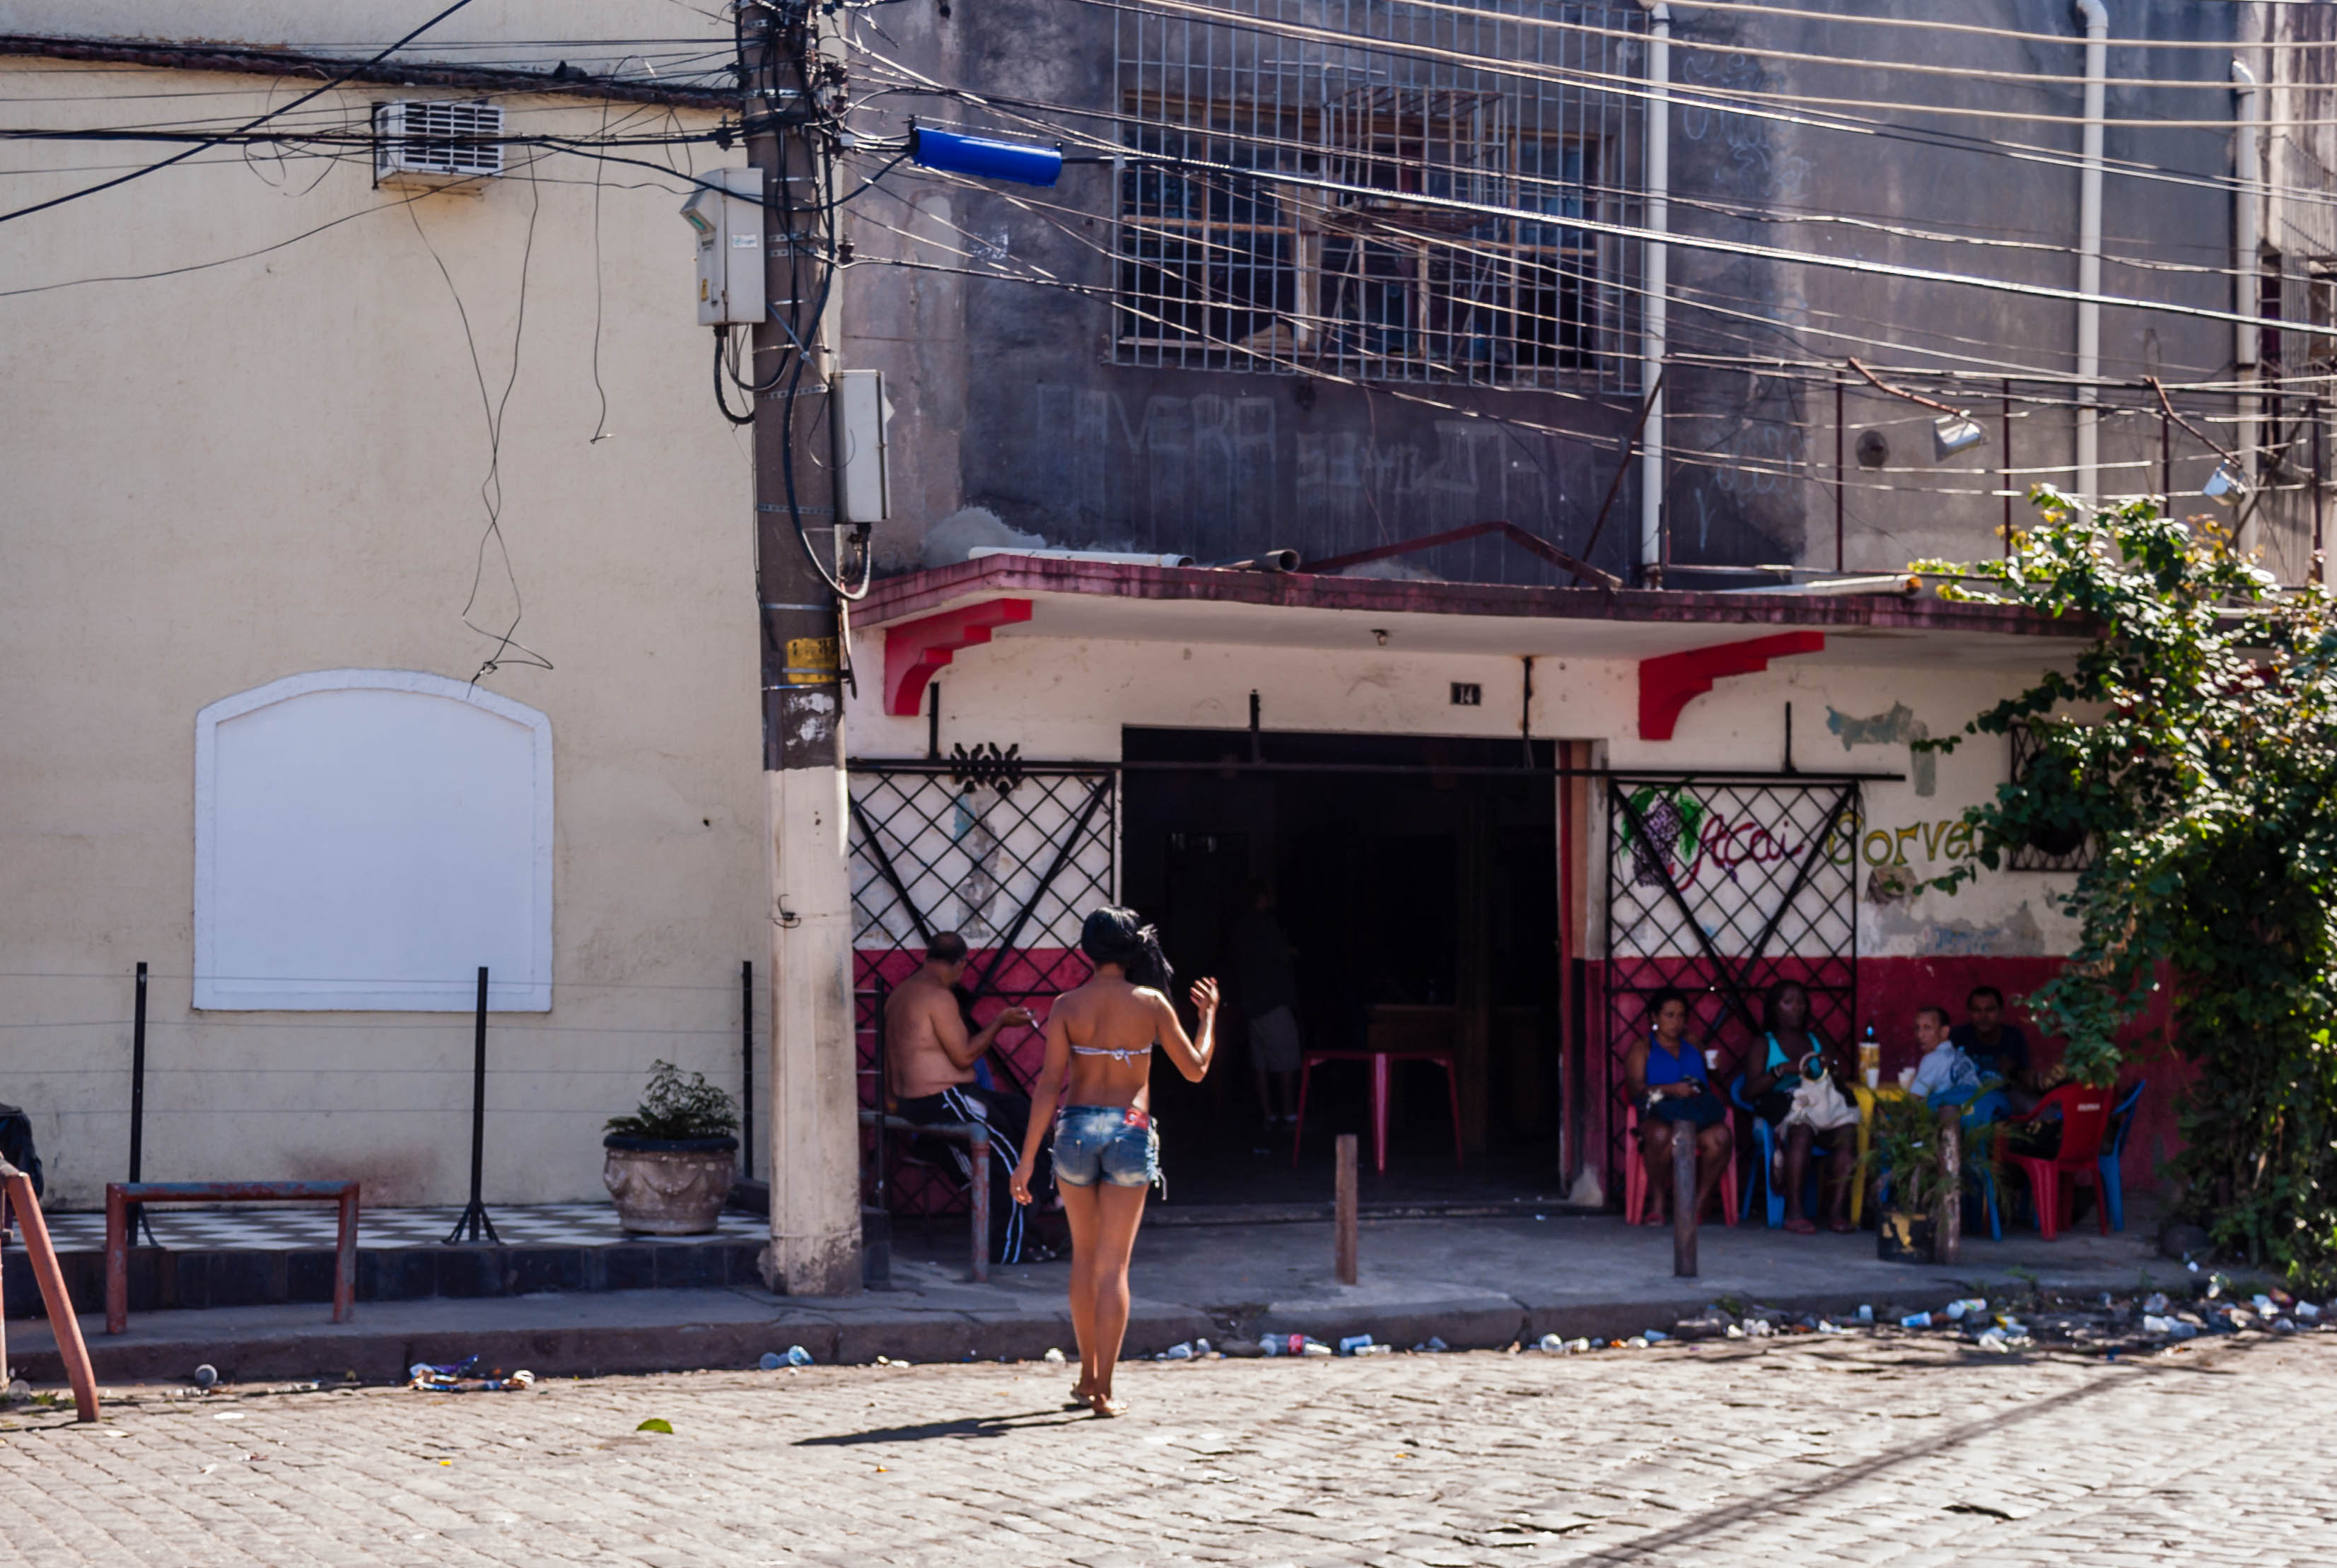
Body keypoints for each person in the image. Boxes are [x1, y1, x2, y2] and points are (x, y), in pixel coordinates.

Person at [1010, 907, 1217, 1417]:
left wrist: (1026, 1160)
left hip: (1075, 1130)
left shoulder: (1066, 1005)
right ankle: (1104, 1391)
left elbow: (1047, 1085)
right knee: (1114, 1266)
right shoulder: (1150, 1003)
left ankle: (1085, 1379)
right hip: (1128, 1129)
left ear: (1088, 948)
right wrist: (1209, 1017)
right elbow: (1195, 1070)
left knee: (1084, 1259)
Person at [885, 930, 1046, 1265]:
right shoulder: (939, 997)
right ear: (960, 964)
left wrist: (894, 1100)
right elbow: (963, 1057)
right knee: (1007, 1157)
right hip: (943, 1097)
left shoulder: (899, 994)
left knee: (1023, 1113)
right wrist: (1000, 1021)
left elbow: (889, 1060)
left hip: (922, 1099)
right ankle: (1009, 1249)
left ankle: (1042, 1207)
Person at [1742, 980, 1860, 1234]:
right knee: (1801, 1132)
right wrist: (1781, 1070)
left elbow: (1837, 1079)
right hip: (1781, 1116)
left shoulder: (1817, 1040)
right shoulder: (1764, 1043)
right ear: (1775, 1008)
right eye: (1788, 1002)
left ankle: (1838, 1211)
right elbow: (1748, 1091)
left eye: (1801, 1002)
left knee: (1848, 1134)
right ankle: (1794, 1210)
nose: (1796, 1008)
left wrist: (1832, 1066)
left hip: (1823, 1112)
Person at [1623, 988, 1730, 1228]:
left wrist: (1714, 1070)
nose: (1676, 1022)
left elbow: (1709, 1081)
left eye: (1681, 1016)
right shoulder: (1642, 1049)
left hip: (1694, 1115)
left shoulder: (1692, 1043)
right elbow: (1636, 1091)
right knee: (1661, 1136)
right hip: (1661, 1115)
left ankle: (1695, 1205)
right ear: (1654, 1017)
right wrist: (1671, 1089)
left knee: (1722, 1137)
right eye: (1669, 1015)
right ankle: (1659, 1202)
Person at [1229, 880, 1301, 1130]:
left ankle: (1268, 1113)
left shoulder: (1242, 927)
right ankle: (1289, 1114)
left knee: (1260, 1060)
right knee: (1286, 1057)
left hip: (1252, 1004)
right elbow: (1280, 954)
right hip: (1271, 1002)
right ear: (1263, 897)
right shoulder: (1265, 925)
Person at [1950, 985, 2039, 1112]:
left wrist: (2013, 1070)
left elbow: (2026, 1080)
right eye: (1977, 1010)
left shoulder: (2013, 1036)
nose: (1983, 1016)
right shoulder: (1957, 1036)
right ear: (1969, 1013)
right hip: (1967, 1099)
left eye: (1990, 1010)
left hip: (2006, 1098)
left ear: (2001, 1012)